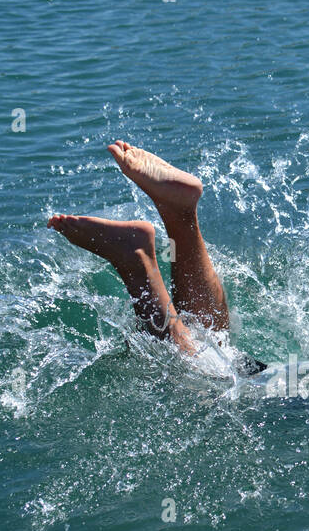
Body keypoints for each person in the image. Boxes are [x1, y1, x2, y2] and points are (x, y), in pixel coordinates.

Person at [48, 142, 265, 374]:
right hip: (295, 390)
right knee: (212, 377)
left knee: (224, 356)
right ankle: (140, 257)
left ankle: (180, 214)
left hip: (297, 377)